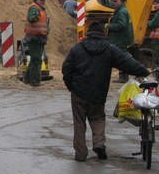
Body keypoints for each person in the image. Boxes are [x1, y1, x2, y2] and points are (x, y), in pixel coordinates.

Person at [62, 21, 149, 162]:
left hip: (79, 91)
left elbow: (66, 68)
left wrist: (71, 86)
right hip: (98, 92)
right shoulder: (109, 49)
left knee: (79, 122)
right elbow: (127, 62)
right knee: (98, 118)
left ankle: (80, 154)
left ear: (88, 33)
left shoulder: (77, 49)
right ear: (103, 34)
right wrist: (143, 71)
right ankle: (99, 144)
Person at [24, 0, 53, 86]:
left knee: (34, 59)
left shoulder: (40, 9)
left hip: (39, 38)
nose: (43, 2)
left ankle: (27, 79)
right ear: (36, 0)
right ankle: (35, 81)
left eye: (44, 0)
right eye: (41, 0)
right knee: (37, 60)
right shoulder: (34, 8)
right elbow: (32, 18)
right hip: (34, 38)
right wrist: (36, 16)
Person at [106, 0, 134, 83]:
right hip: (121, 39)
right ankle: (124, 76)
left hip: (120, 39)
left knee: (122, 57)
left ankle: (124, 76)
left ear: (121, 2)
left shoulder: (122, 12)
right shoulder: (121, 11)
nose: (113, 3)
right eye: (113, 1)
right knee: (122, 57)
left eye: (116, 1)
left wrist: (109, 26)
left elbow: (121, 25)